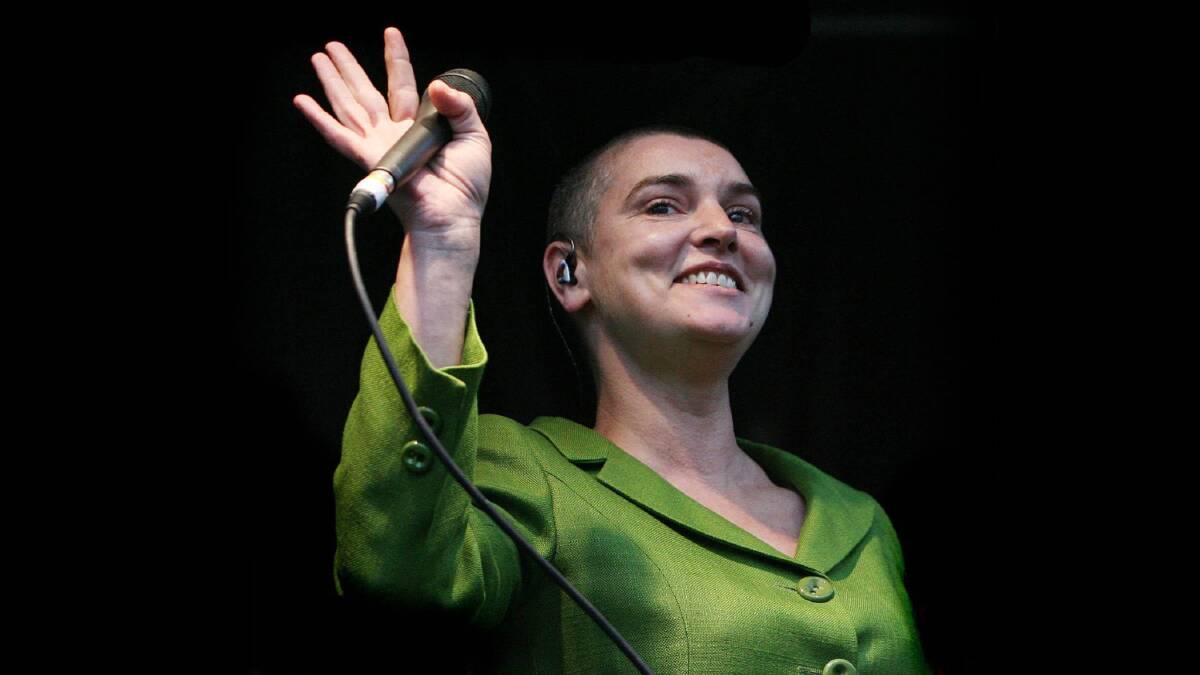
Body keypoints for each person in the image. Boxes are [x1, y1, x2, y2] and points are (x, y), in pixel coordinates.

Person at [295, 27, 932, 674]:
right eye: (662, 205)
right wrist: (441, 237)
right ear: (569, 274)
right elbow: (395, 568)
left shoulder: (858, 518)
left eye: (744, 216)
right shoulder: (525, 471)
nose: (720, 229)